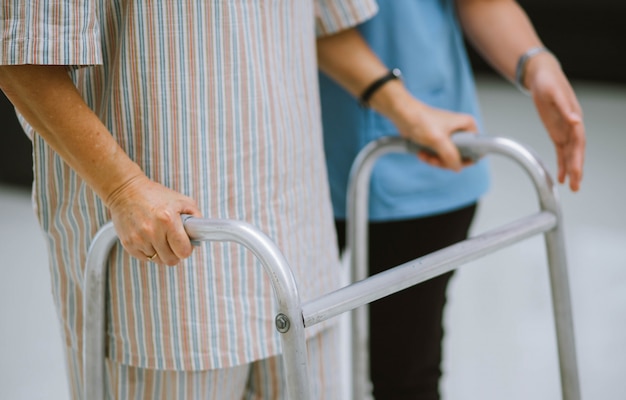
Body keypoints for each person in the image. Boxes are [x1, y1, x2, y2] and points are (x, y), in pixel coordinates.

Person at [0, 2, 390, 398]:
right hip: (163, 264)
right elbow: (20, 54)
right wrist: (124, 188)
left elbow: (322, 18)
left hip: (293, 243)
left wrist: (407, 110)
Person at [317, 0, 586, 399]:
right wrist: (404, 109)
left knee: (408, 376)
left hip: (434, 154)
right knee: (273, 359)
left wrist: (537, 64)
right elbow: (301, 17)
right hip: (296, 157)